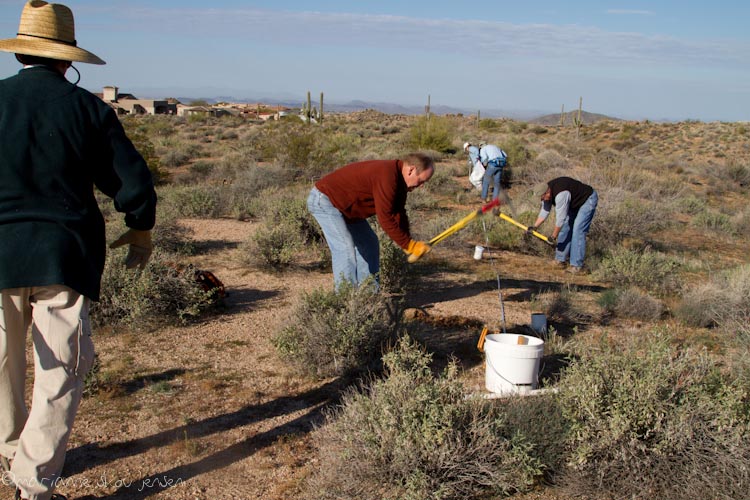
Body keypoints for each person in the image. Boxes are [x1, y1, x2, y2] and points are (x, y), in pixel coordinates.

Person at [0, 2, 157, 499]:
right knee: (61, 370)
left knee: (1, 359)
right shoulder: (88, 110)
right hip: (63, 256)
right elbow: (129, 181)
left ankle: (7, 446)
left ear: (21, 51)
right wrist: (140, 228)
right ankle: (33, 478)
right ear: (67, 59)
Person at [307, 153, 434, 289]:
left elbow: (398, 213)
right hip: (325, 200)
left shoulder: (399, 181)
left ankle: (368, 295)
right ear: (411, 170)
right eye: (421, 181)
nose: (421, 186)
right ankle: (345, 300)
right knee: (344, 247)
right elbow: (385, 218)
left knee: (369, 244)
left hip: (348, 210)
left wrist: (409, 243)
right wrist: (408, 245)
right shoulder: (387, 176)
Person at [530, 177, 598, 273]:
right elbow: (545, 210)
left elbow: (560, 219)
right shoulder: (545, 192)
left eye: (542, 197)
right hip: (574, 203)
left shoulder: (561, 195)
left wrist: (553, 236)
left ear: (547, 192)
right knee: (566, 227)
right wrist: (535, 226)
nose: (542, 199)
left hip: (587, 200)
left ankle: (577, 266)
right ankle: (560, 260)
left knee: (578, 230)